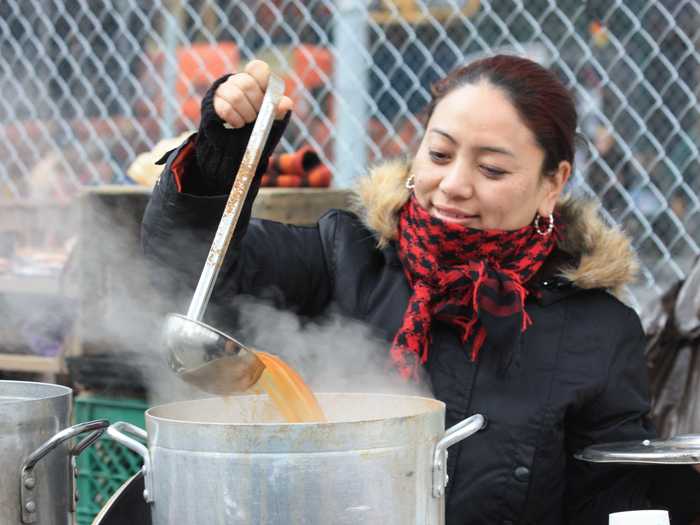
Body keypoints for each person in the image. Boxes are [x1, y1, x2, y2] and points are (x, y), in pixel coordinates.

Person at [141, 55, 700, 524]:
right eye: (438, 154)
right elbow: (186, 270)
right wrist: (221, 160)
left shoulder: (598, 329)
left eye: (493, 170)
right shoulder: (346, 257)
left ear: (553, 183)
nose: (453, 186)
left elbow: (614, 497)